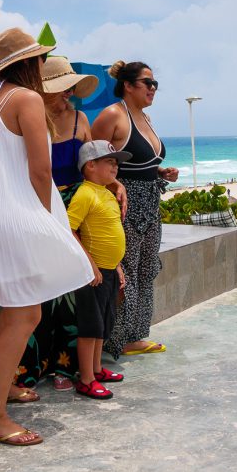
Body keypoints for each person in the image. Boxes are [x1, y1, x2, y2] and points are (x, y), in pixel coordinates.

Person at [0, 28, 93, 446]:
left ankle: (3, 390)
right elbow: (40, 171)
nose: (45, 66)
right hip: (15, 215)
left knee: (16, 311)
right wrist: (46, 220)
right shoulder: (25, 100)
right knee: (24, 314)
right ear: (31, 63)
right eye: (42, 60)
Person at [15, 57, 103, 393]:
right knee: (42, 292)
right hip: (40, 209)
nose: (67, 95)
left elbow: (93, 166)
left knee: (72, 290)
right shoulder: (29, 119)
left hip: (75, 212)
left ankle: (67, 367)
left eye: (70, 89)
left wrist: (115, 186)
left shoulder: (82, 119)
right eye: (60, 90)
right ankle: (34, 368)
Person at [92, 61, 179, 358]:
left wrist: (160, 172)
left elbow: (142, 164)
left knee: (146, 269)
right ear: (128, 85)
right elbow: (93, 164)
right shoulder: (113, 116)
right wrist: (114, 188)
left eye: (155, 84)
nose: (153, 89)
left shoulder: (146, 117)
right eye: (147, 83)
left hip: (151, 202)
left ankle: (137, 333)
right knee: (125, 271)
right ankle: (117, 339)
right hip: (123, 204)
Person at [67, 140, 131, 400]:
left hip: (108, 270)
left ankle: (96, 369)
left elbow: (111, 232)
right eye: (110, 162)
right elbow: (69, 229)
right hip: (93, 274)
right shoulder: (85, 193)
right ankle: (86, 379)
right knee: (90, 326)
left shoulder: (106, 192)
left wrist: (117, 266)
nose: (115, 167)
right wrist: (90, 265)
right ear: (90, 165)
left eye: (117, 163)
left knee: (103, 323)